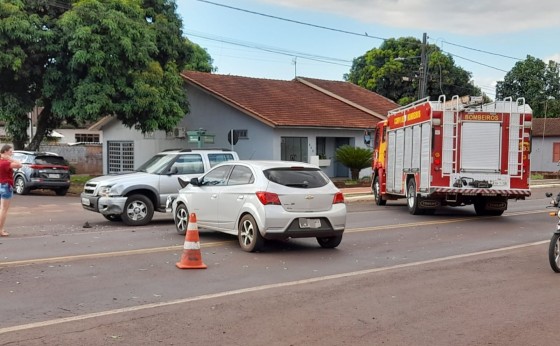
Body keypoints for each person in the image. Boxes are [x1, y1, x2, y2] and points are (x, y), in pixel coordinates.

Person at [0, 144, 22, 236]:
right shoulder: (6, 163)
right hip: (6, 186)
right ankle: (0, 230)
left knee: (2, 208)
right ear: (5, 151)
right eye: (10, 152)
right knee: (4, 209)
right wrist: (10, 159)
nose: (11, 153)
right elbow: (19, 165)